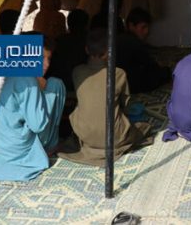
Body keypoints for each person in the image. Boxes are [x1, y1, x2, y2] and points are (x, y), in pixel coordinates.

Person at [0, 37, 66, 181]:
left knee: (52, 84)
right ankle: (49, 146)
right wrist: (38, 89)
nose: (46, 64)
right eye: (41, 58)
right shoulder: (27, 79)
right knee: (56, 85)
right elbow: (39, 125)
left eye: (49, 58)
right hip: (19, 148)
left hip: (1, 144)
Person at [60, 29, 152, 166]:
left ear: (86, 49)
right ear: (109, 52)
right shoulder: (118, 74)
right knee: (143, 127)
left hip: (85, 135)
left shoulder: (77, 72)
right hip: (113, 136)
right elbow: (124, 105)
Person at [116, 7, 170, 94]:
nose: (146, 31)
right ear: (131, 26)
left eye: (148, 27)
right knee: (165, 72)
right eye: (143, 27)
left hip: (119, 83)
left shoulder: (120, 38)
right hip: (131, 85)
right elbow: (150, 65)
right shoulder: (134, 43)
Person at [48, 9, 90, 91]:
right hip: (82, 84)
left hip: (60, 83)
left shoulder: (59, 40)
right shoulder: (89, 41)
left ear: (68, 23)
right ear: (86, 25)